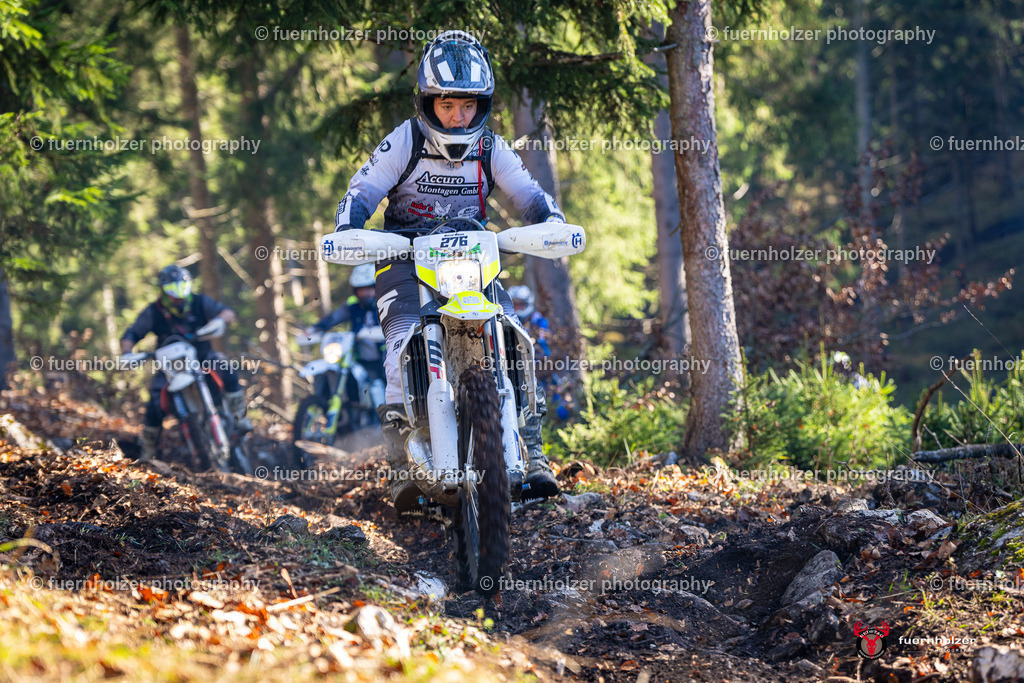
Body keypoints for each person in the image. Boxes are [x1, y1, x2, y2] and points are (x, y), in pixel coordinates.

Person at [333, 30, 563, 510]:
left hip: (472, 256)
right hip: (403, 259)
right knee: (400, 353)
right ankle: (402, 469)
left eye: (467, 106)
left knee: (515, 337)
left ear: (482, 105)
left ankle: (534, 453)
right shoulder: (406, 140)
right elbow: (363, 189)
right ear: (427, 102)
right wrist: (348, 226)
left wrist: (551, 220)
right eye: (446, 106)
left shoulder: (490, 148)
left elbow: (528, 193)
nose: (457, 116)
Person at [121, 265, 251, 462]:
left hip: (202, 356)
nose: (179, 299)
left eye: (182, 292)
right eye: (174, 295)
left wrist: (219, 322)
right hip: (170, 367)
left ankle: (239, 417)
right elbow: (131, 334)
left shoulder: (199, 302)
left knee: (227, 369)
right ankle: (147, 452)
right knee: (155, 403)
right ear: (164, 291)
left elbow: (227, 312)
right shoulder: (153, 312)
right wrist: (127, 353)